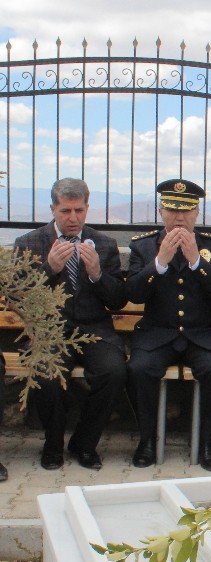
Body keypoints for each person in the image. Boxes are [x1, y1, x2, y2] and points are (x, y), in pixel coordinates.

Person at [14, 178, 128, 470]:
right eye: (66, 211)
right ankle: (52, 445)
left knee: (114, 371)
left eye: (79, 210)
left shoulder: (103, 243)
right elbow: (19, 298)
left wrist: (97, 274)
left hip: (94, 329)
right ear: (53, 209)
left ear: (87, 208)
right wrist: (48, 269)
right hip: (48, 330)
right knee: (47, 372)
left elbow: (117, 301)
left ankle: (84, 443)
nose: (73, 218)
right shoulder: (29, 243)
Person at [126, 179, 211, 470]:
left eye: (186, 211)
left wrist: (197, 262)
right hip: (157, 334)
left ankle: (207, 442)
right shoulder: (144, 246)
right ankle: (147, 440)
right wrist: (159, 262)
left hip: (203, 334)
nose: (179, 217)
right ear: (161, 211)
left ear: (197, 213)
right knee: (139, 368)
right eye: (172, 210)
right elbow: (133, 294)